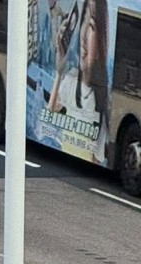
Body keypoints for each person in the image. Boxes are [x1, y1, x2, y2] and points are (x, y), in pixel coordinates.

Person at [48, 0, 110, 162]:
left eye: (91, 26)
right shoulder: (71, 78)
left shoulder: (103, 99)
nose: (83, 36)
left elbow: (97, 157)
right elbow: (51, 110)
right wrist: (59, 71)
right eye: (83, 23)